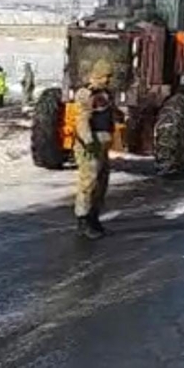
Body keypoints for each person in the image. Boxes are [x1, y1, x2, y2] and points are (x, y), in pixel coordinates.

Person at [73, 58, 118, 240]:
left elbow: (108, 112)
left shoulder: (105, 94)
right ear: (97, 75)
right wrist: (88, 141)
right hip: (90, 145)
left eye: (109, 77)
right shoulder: (87, 94)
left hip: (103, 144)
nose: (108, 80)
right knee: (88, 183)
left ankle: (94, 217)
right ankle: (83, 220)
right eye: (105, 76)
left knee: (101, 183)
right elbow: (82, 120)